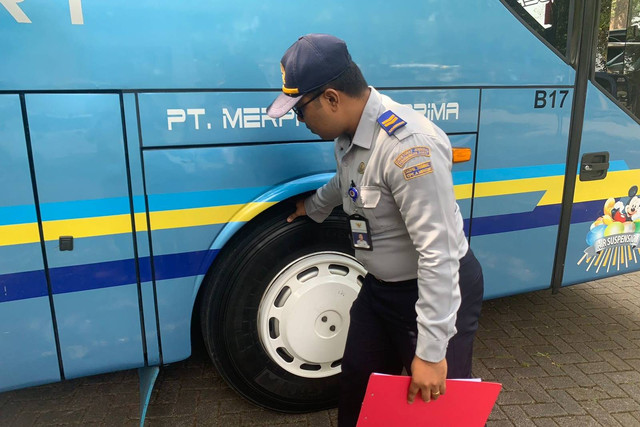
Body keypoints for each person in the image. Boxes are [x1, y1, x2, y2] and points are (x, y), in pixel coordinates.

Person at [266, 34, 484, 427]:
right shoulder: (349, 134)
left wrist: (433, 352)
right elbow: (347, 183)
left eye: (301, 112)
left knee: (436, 409)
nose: (302, 122)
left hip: (429, 288)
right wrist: (313, 207)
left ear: (331, 98)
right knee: (358, 389)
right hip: (381, 289)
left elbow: (439, 253)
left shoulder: (407, 148)